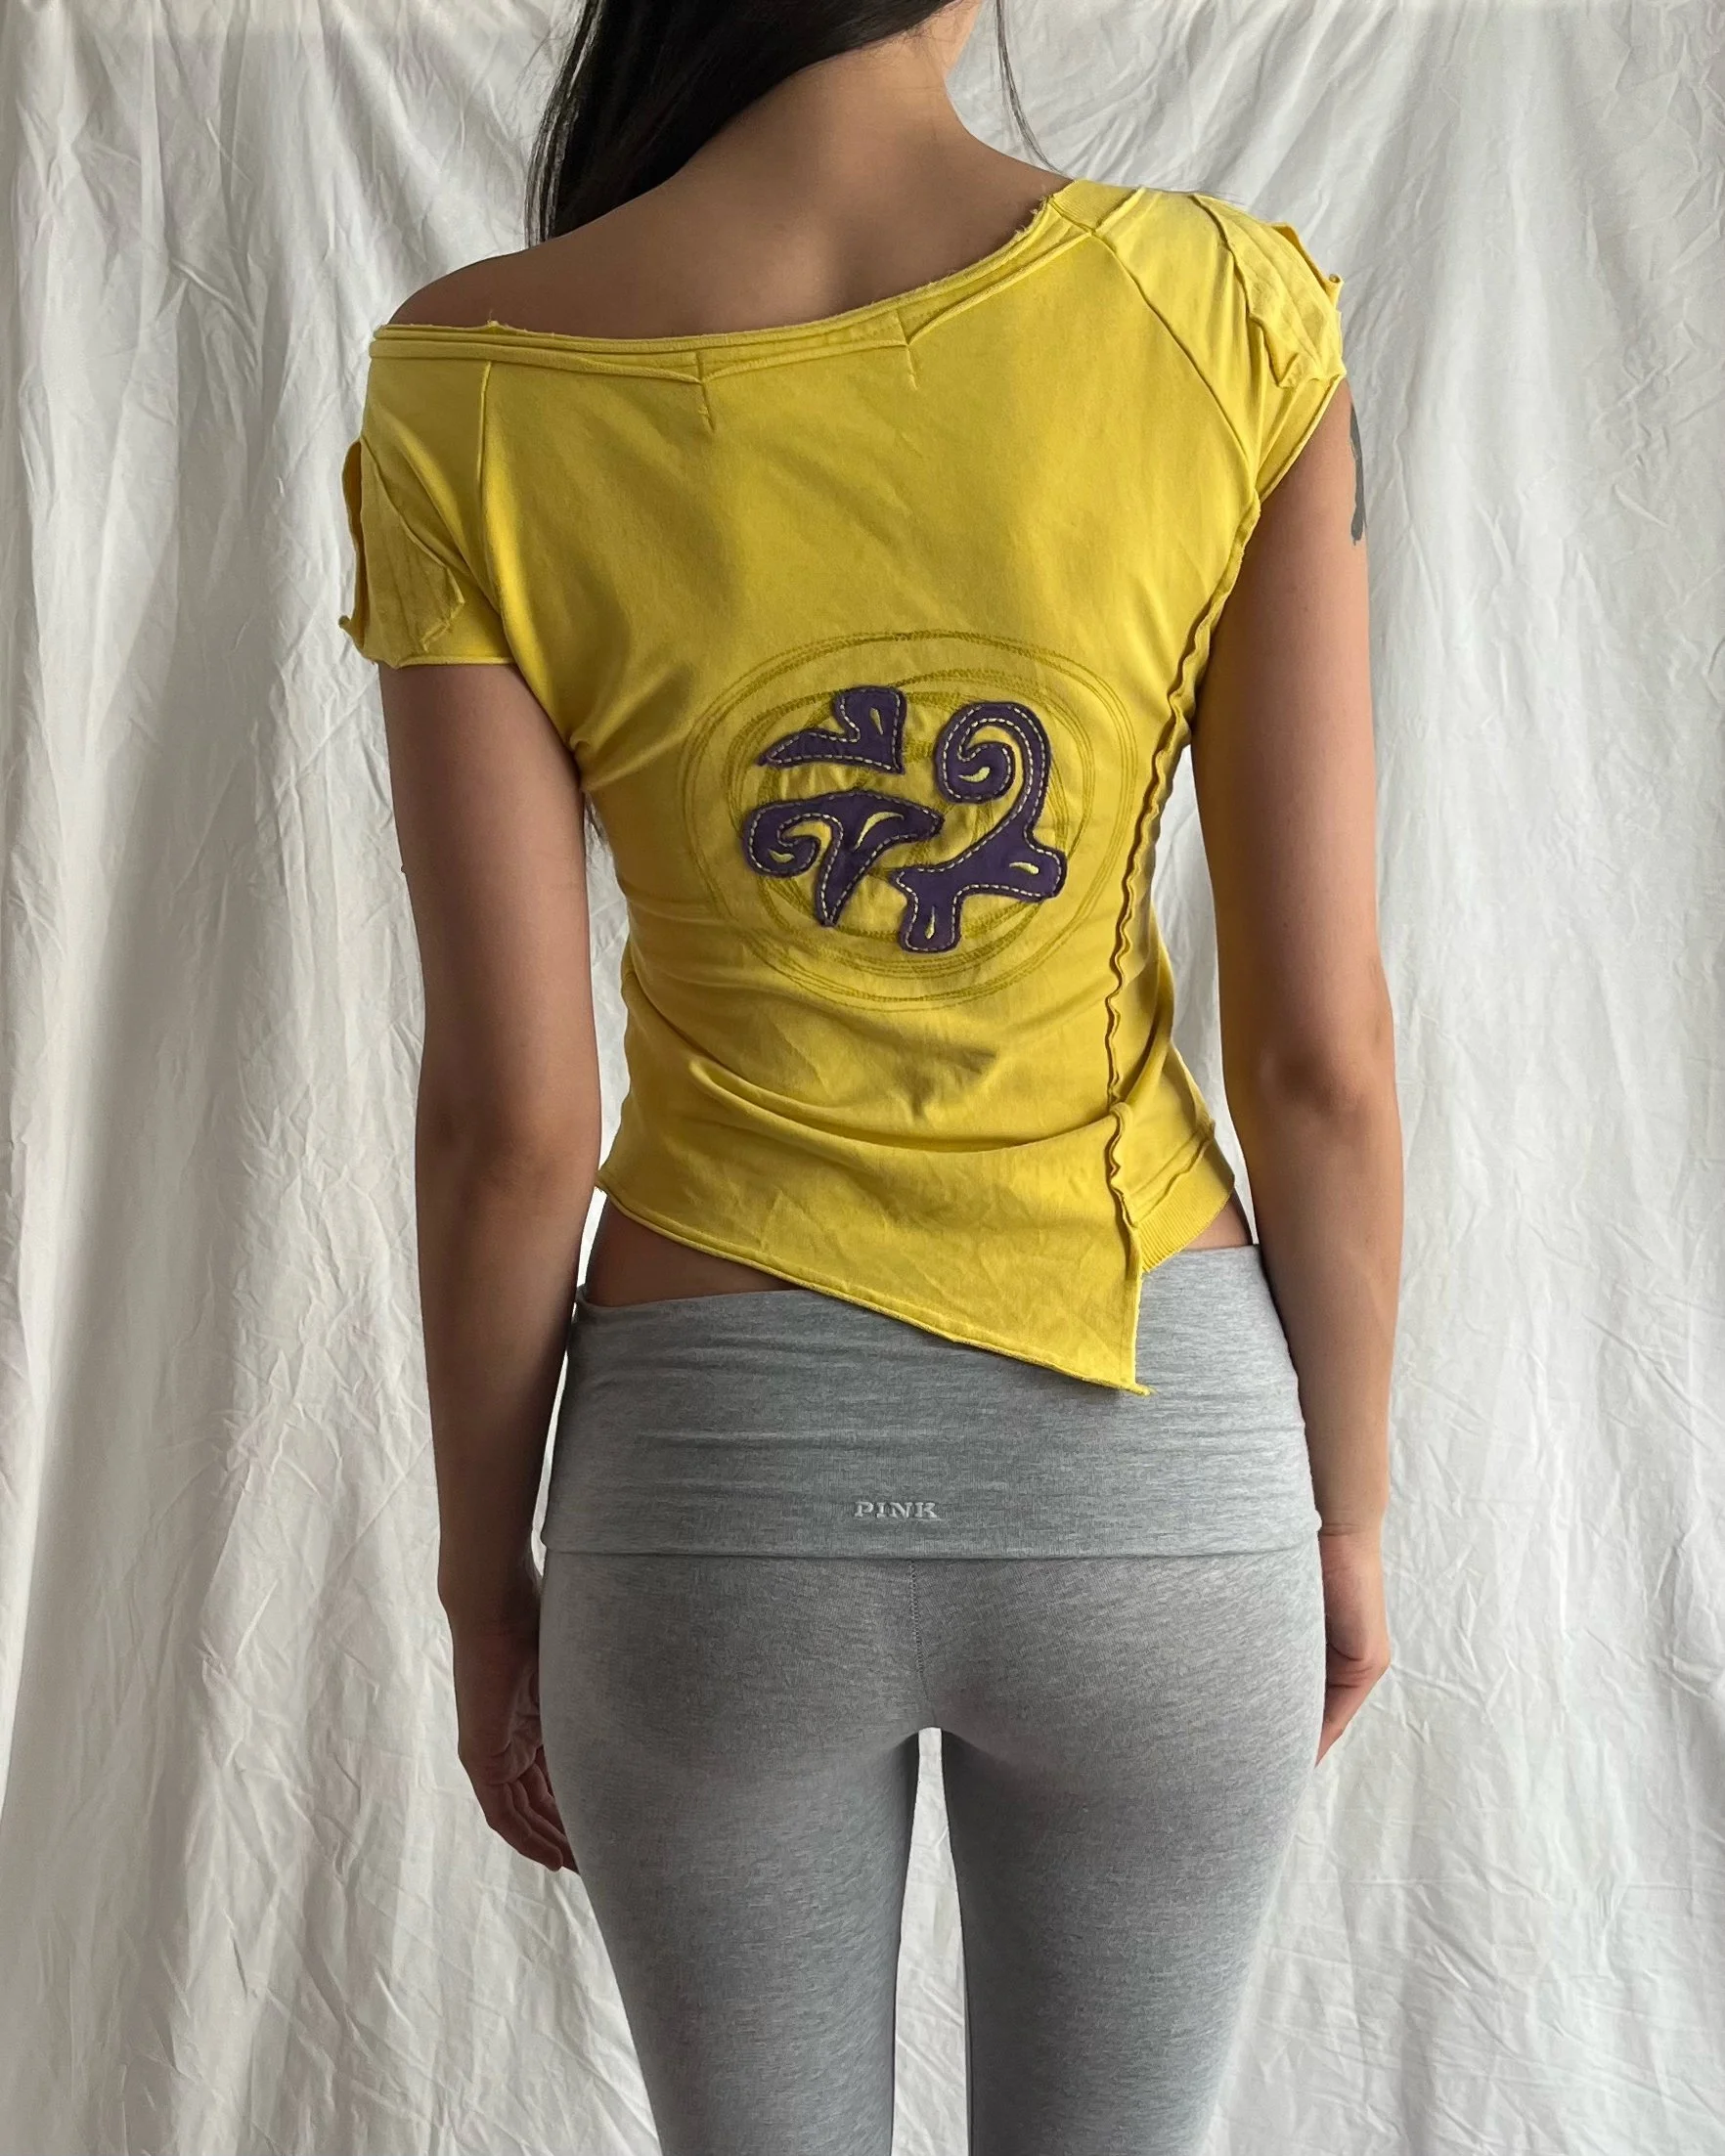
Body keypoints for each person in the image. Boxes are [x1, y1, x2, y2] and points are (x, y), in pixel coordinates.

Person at [335, 2, 1401, 2148]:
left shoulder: (472, 381)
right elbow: (1323, 1059)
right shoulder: (1225, 313)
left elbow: (513, 1124)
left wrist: (482, 1592)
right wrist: (1348, 1516)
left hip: (711, 1500)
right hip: (1155, 1468)